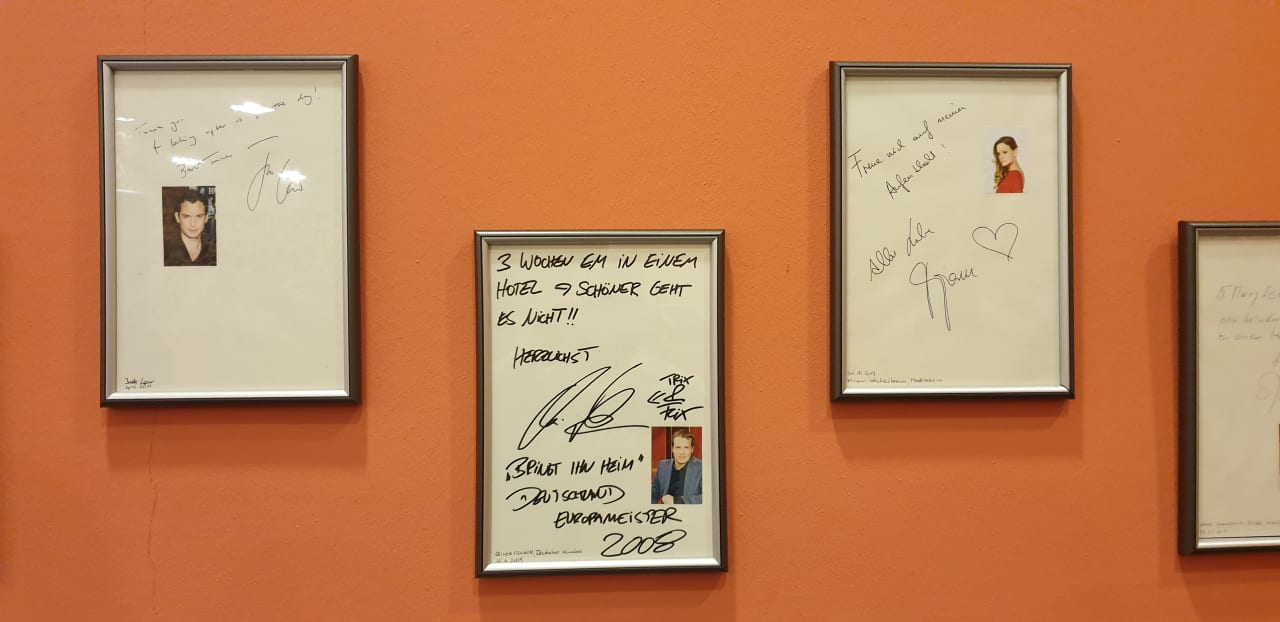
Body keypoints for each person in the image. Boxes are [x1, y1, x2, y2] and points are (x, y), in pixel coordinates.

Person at [163, 189, 217, 266]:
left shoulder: (214, 252)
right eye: (187, 216)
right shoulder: (165, 251)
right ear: (177, 217)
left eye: (199, 216)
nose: (193, 224)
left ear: (206, 217)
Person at [651, 429, 702, 504]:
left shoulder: (701, 468)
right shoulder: (663, 466)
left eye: (686, 447)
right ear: (672, 449)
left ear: (692, 449)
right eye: (678, 447)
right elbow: (653, 493)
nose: (682, 452)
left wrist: (677, 501)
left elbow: (707, 497)